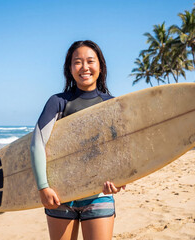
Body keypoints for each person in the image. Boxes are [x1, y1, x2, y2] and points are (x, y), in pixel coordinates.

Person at [30, 40, 126, 240]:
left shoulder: (111, 104)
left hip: (99, 194)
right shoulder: (58, 102)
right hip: (61, 195)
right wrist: (43, 187)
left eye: (90, 61)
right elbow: (37, 143)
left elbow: (120, 149)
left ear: (100, 65)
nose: (84, 67)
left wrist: (120, 180)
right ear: (69, 68)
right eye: (77, 62)